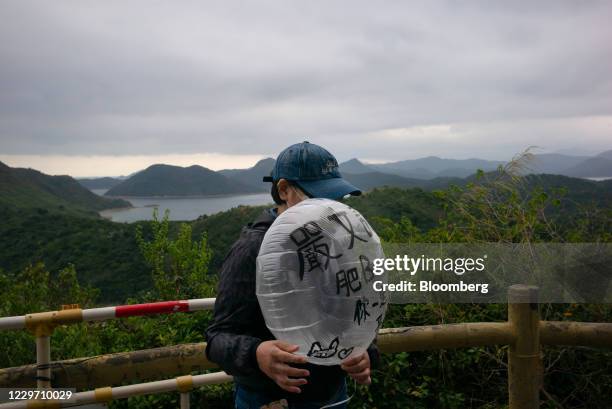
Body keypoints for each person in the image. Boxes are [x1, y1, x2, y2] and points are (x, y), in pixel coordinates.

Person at [205, 141, 380, 409]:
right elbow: (218, 338)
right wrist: (257, 354)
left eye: (335, 197)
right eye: (319, 196)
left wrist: (365, 352)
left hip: (334, 395)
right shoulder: (253, 249)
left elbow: (353, 307)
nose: (330, 206)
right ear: (283, 189)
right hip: (270, 400)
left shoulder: (339, 239)